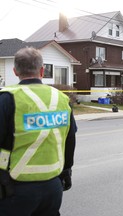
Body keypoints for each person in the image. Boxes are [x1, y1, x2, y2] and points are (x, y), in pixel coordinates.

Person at [0, 47, 77, 216]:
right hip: (53, 188)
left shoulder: (6, 99)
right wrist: (67, 171)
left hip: (13, 188)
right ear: (42, 71)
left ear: (15, 71)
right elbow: (70, 139)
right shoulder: (62, 99)